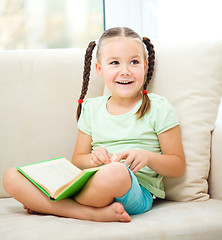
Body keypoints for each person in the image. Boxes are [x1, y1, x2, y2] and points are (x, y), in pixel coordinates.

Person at [3, 27, 185, 223]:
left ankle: (51, 204)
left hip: (135, 190)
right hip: (92, 184)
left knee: (116, 172)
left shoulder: (159, 107)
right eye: (114, 63)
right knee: (11, 176)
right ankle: (89, 213)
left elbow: (177, 166)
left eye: (134, 62)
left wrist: (147, 157)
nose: (125, 71)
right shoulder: (91, 108)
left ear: (145, 65)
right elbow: (78, 160)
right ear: (99, 69)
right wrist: (93, 159)